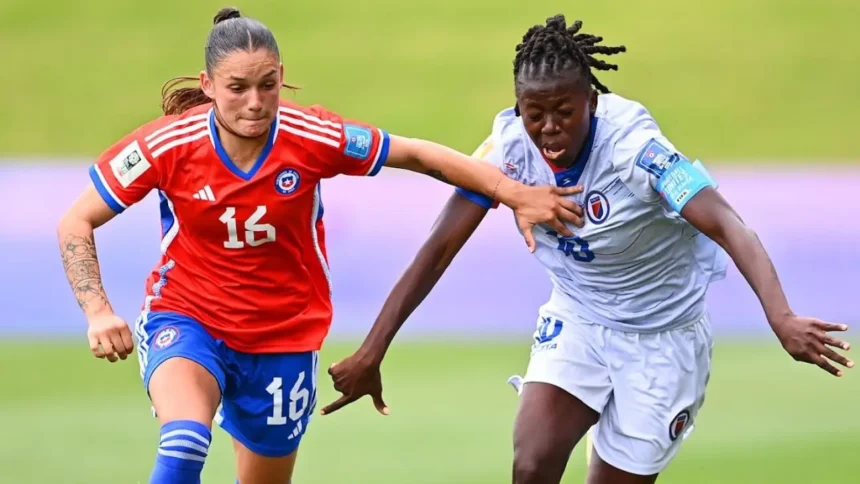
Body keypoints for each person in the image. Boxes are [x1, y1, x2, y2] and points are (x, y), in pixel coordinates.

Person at [56, 8, 585, 484]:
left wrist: (516, 194)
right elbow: (76, 221)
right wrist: (98, 309)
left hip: (284, 337)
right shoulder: (167, 144)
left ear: (282, 78)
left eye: (268, 85)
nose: (256, 103)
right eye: (237, 87)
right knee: (185, 442)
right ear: (208, 85)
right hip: (190, 318)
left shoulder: (312, 137)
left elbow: (419, 155)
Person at [321, 13, 854, 484]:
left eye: (564, 112)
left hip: (663, 337)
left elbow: (727, 224)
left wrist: (780, 317)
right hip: (579, 318)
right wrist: (373, 349)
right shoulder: (507, 149)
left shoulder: (635, 149)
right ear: (518, 108)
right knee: (531, 463)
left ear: (591, 102)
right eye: (535, 114)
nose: (549, 129)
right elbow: (439, 247)